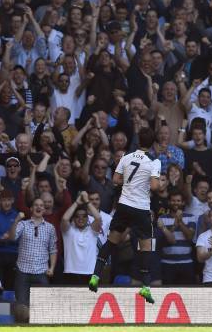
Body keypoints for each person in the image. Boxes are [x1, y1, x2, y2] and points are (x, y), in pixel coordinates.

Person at [88, 127, 161, 304]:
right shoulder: (154, 161)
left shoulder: (126, 157)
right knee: (146, 248)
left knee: (112, 241)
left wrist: (130, 182)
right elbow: (154, 186)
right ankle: (145, 287)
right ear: (152, 144)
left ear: (138, 141)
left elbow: (115, 179)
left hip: (124, 206)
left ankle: (95, 275)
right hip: (141, 208)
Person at [9, 198, 57, 306]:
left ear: (44, 210)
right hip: (23, 271)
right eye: (36, 205)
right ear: (31, 209)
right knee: (21, 305)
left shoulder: (50, 228)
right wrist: (16, 220)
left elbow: (53, 250)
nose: (39, 207)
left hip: (42, 271)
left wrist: (52, 268)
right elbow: (12, 238)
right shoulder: (23, 224)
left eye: (41, 205)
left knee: (43, 305)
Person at [60, 191, 101, 284]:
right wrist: (76, 203)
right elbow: (65, 219)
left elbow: (98, 218)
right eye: (77, 216)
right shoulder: (68, 231)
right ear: (73, 218)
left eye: (84, 216)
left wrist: (87, 201)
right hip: (71, 273)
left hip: (91, 273)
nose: (81, 219)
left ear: (88, 218)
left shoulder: (92, 231)